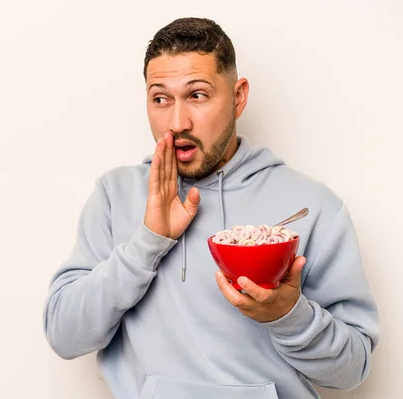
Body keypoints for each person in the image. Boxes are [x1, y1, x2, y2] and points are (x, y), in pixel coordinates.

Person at [42, 17, 379, 398]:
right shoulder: (114, 195)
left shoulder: (312, 207)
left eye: (197, 95)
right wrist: (147, 243)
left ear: (238, 97)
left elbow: (352, 371)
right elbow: (64, 336)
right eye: (160, 99)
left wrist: (288, 316)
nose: (177, 122)